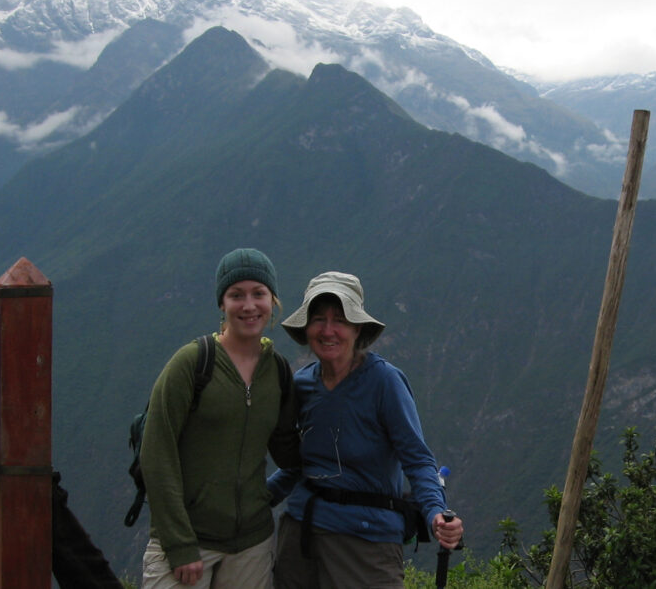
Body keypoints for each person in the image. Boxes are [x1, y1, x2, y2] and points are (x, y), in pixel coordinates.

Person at [268, 271, 464, 589]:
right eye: (318, 319)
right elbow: (300, 465)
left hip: (366, 544)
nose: (328, 330)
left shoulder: (384, 382)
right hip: (300, 539)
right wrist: (254, 501)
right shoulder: (302, 385)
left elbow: (417, 460)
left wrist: (436, 513)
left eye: (340, 320)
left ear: (357, 329)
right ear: (306, 328)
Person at [138, 248, 299, 588]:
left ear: (273, 300)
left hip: (251, 546)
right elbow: (156, 452)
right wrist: (180, 544)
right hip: (187, 539)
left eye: (259, 293)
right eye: (236, 295)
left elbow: (289, 451)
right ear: (221, 303)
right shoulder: (193, 363)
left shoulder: (279, 372)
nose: (249, 305)